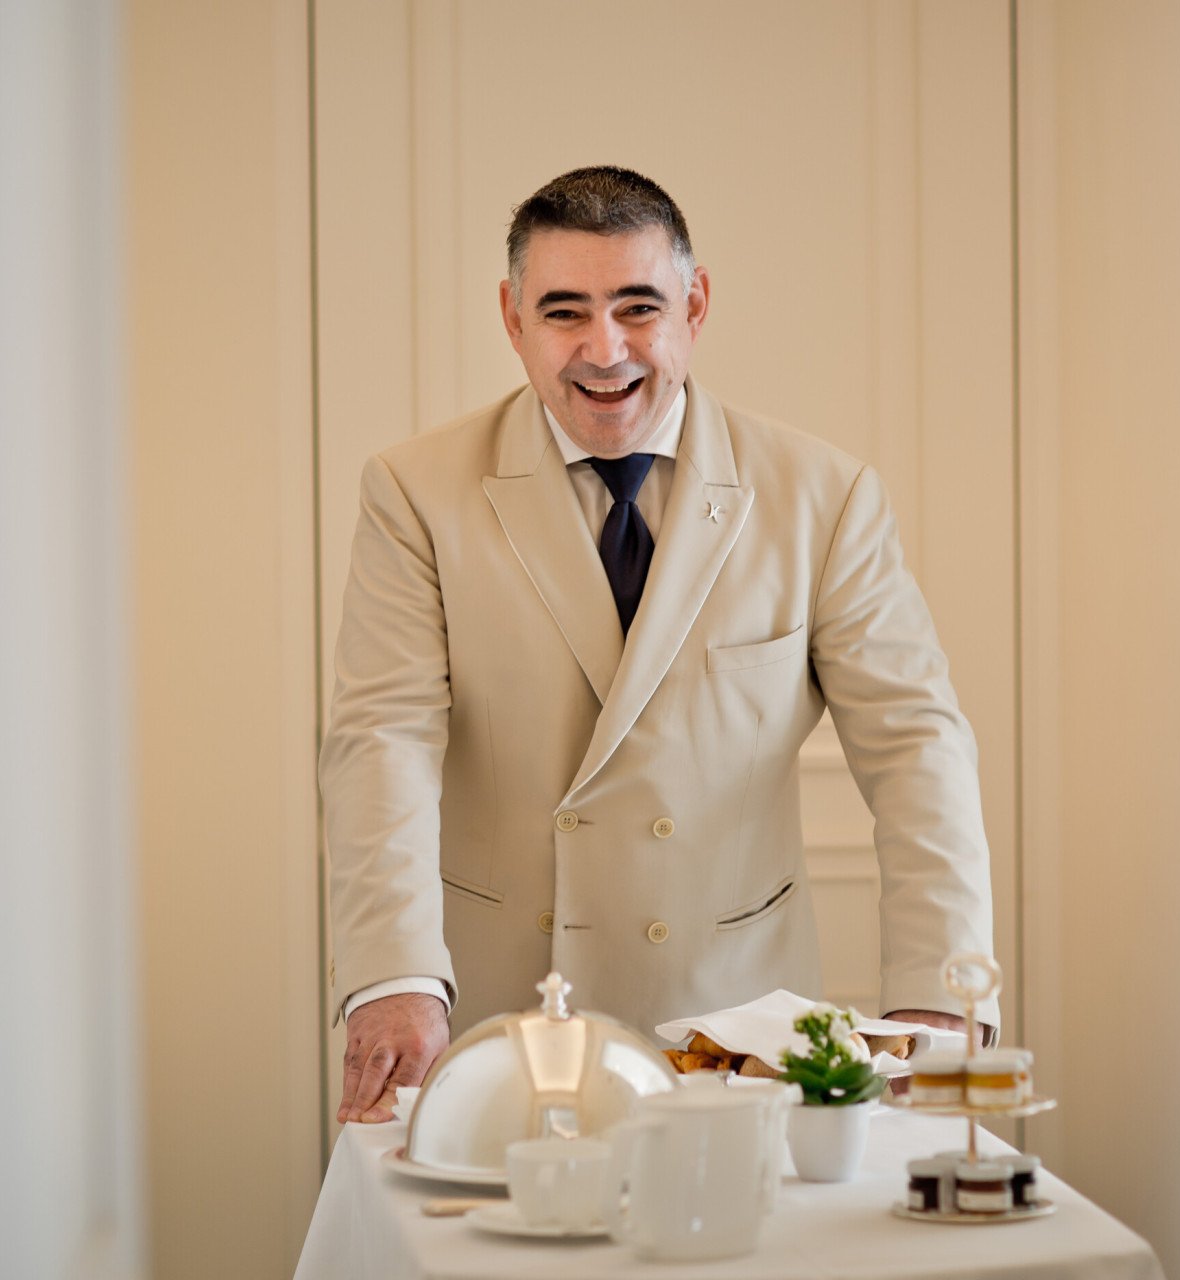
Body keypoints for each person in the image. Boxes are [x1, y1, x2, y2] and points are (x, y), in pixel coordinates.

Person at [323, 167, 996, 1125]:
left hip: (738, 1023)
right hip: (500, 1027)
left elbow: (915, 743)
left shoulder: (823, 495)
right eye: (565, 312)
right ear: (513, 320)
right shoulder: (415, 493)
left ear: (696, 303)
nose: (605, 350)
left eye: (638, 306)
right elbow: (381, 740)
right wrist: (392, 973)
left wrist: (938, 990)